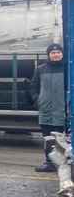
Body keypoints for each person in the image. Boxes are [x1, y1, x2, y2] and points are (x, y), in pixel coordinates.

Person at [30, 42, 67, 173]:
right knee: (48, 138)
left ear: (62, 54)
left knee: (62, 139)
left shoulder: (68, 68)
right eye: (53, 53)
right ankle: (49, 163)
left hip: (63, 111)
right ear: (49, 55)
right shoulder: (40, 69)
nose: (56, 55)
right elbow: (33, 87)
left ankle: (64, 164)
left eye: (58, 52)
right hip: (45, 110)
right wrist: (38, 100)